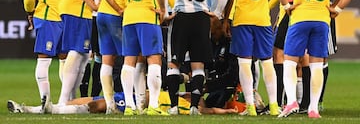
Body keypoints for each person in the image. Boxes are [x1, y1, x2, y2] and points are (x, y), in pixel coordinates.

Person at [275, 0, 357, 118]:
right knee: (316, 64)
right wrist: (336, 9)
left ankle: (292, 102)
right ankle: (313, 108)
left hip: (300, 17)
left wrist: (286, 5)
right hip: (322, 19)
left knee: (289, 62)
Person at [100, 0, 168, 116]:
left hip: (128, 18)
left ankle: (129, 106)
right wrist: (162, 9)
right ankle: (154, 106)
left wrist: (119, 9)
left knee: (128, 61)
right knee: (154, 59)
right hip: (147, 16)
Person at [164, 0, 230, 115]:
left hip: (181, 17)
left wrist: (166, 12)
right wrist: (216, 13)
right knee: (198, 65)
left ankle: (174, 107)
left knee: (174, 64)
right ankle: (194, 106)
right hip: (201, 18)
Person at [222, 0, 279, 116]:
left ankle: (250, 107)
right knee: (267, 61)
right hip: (262, 17)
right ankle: (273, 106)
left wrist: (225, 19)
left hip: (242, 17)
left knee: (244, 62)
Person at [76, 0, 132, 114]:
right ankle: (130, 103)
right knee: (130, 59)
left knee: (107, 60)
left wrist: (92, 5)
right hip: (121, 13)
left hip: (101, 15)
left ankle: (110, 105)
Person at [23, 0, 66, 112]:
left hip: (67, 18)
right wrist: (30, 11)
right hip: (48, 18)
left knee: (67, 60)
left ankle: (66, 100)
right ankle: (45, 101)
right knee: (44, 59)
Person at [7, 91, 238, 115]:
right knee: (81, 100)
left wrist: (231, 113)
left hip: (136, 101)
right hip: (132, 94)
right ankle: (34, 109)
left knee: (96, 106)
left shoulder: (193, 109)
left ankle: (50, 110)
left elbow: (213, 111)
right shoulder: (182, 97)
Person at [268, 0, 293, 107]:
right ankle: (289, 100)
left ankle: (282, 100)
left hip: (291, 13)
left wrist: (266, 7)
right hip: (285, 14)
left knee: (281, 54)